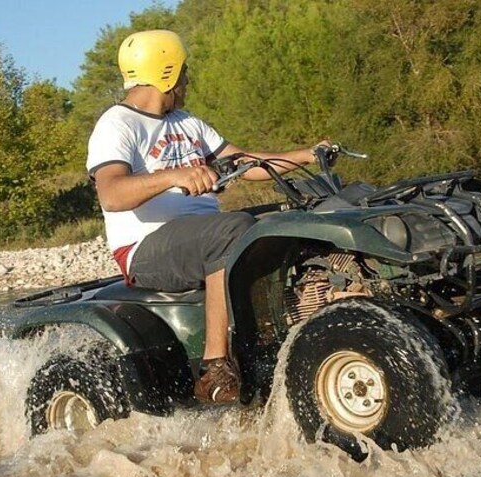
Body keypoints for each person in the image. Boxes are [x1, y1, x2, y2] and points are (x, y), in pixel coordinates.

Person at [86, 29, 326, 405]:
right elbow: (111, 194)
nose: (187, 80)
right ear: (166, 72)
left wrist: (309, 154)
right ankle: (215, 369)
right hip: (146, 247)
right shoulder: (117, 124)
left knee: (283, 225)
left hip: (203, 233)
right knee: (231, 230)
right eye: (183, 71)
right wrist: (175, 176)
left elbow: (246, 163)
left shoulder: (188, 123)